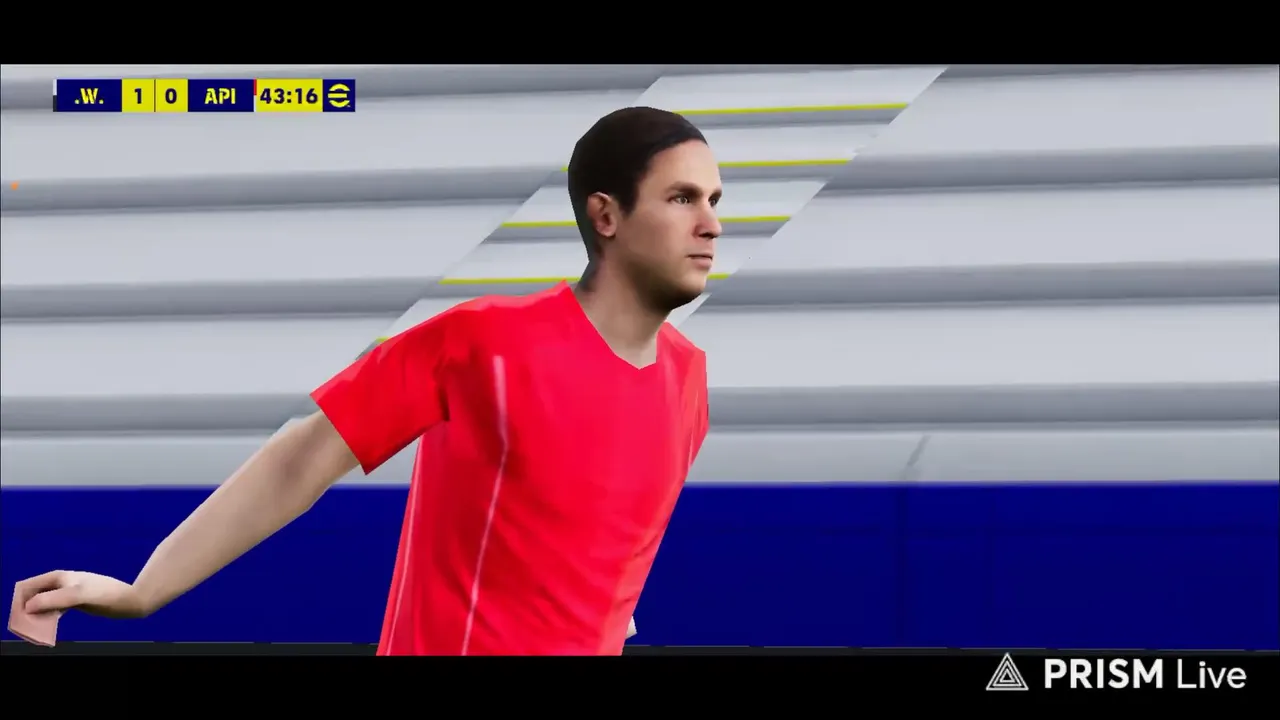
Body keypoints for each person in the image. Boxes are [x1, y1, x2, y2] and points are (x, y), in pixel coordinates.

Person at [9, 106, 721, 656]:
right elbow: (305, 458)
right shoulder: (485, 342)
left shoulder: (687, 381)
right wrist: (143, 592)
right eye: (682, 198)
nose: (711, 224)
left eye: (714, 199)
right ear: (606, 215)